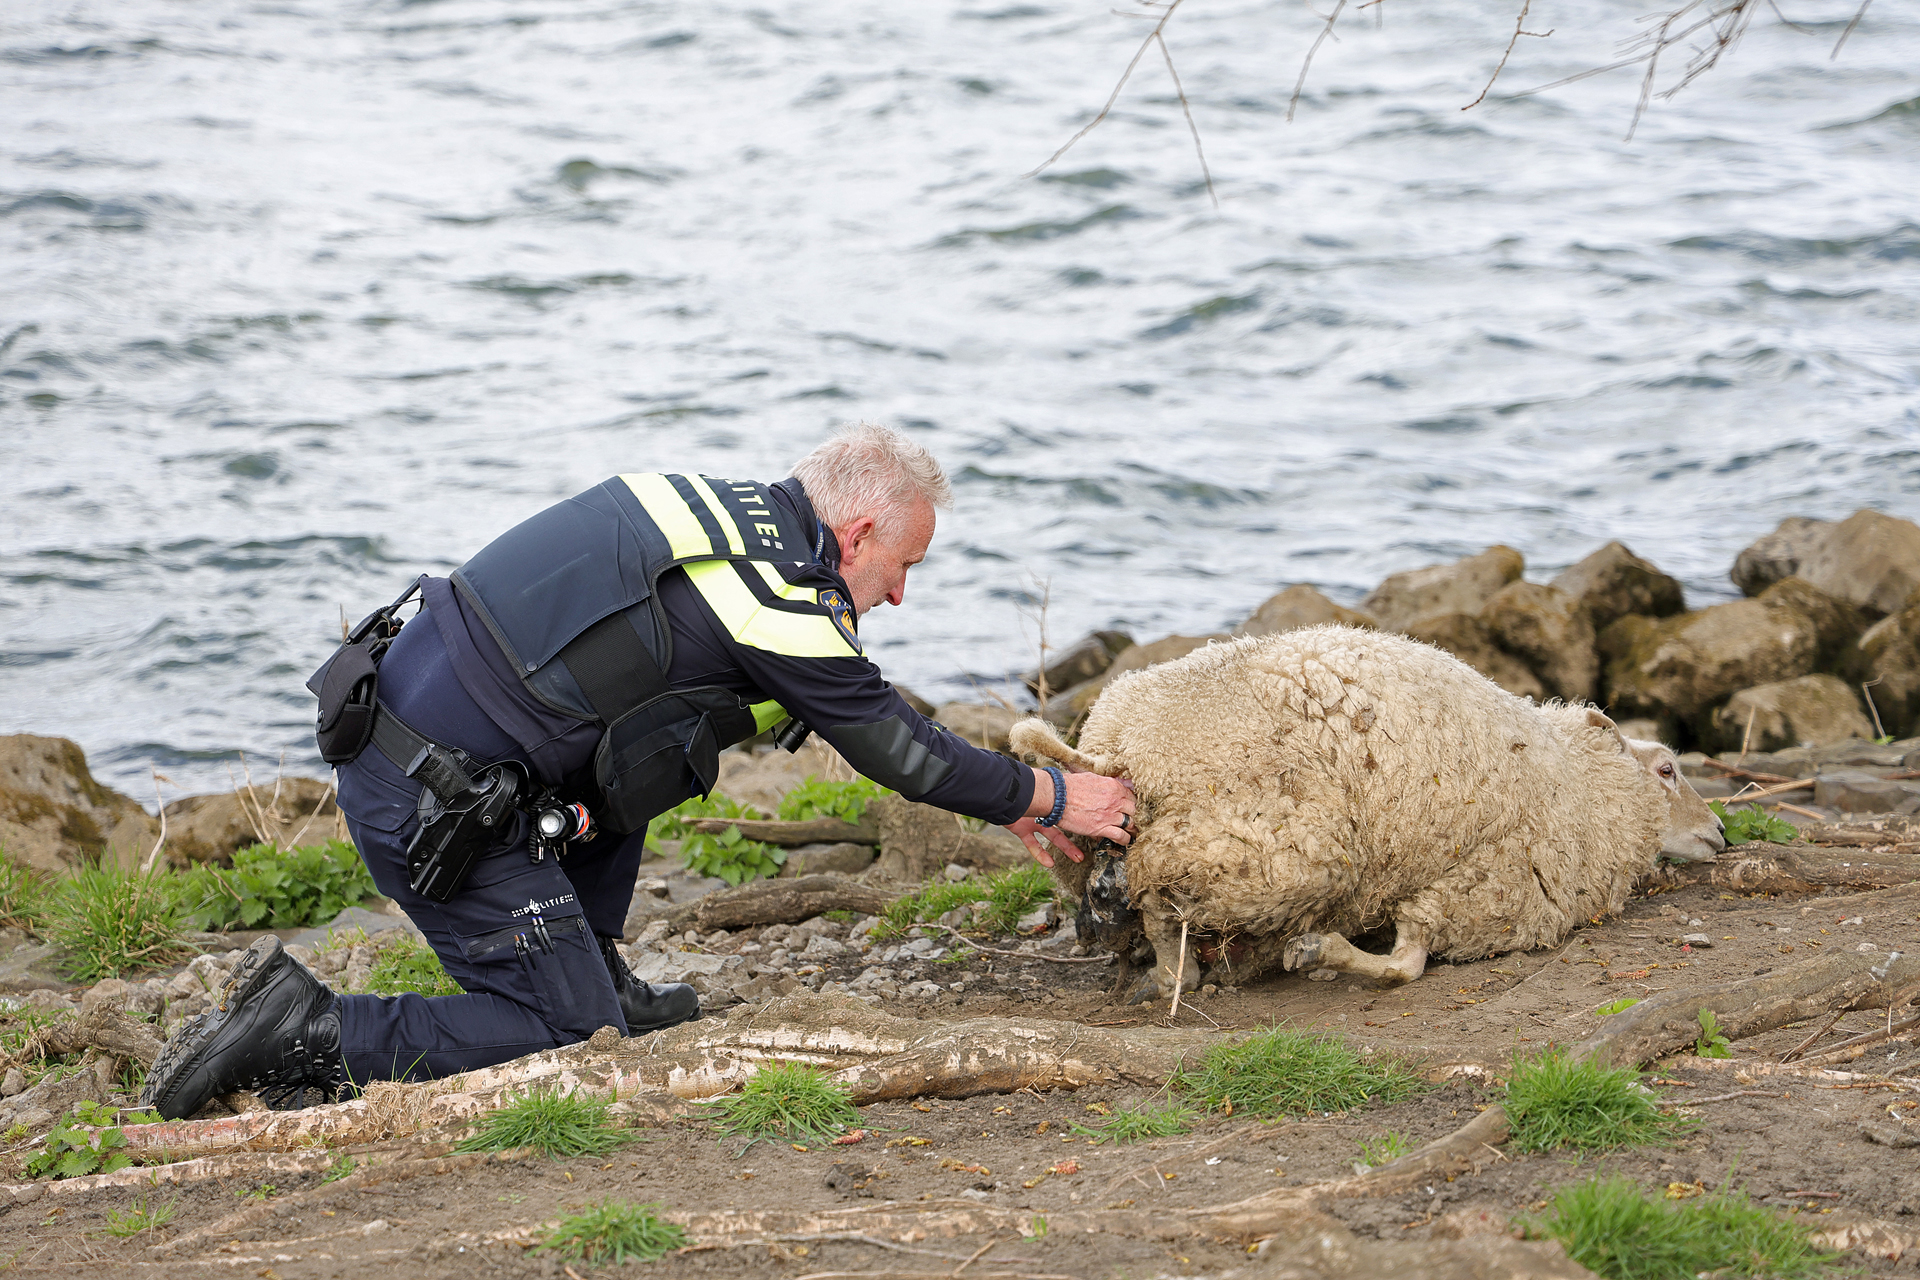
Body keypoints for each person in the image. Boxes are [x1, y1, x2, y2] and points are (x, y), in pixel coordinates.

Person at [142, 423, 1136, 1120]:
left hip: (423, 749)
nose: (902, 595)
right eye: (904, 566)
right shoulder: (775, 596)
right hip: (433, 806)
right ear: (859, 534)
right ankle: (304, 1029)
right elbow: (890, 740)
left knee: (664, 738)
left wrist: (1005, 807)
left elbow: (824, 701)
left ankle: (595, 968)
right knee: (571, 1041)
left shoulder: (706, 508)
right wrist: (1049, 792)